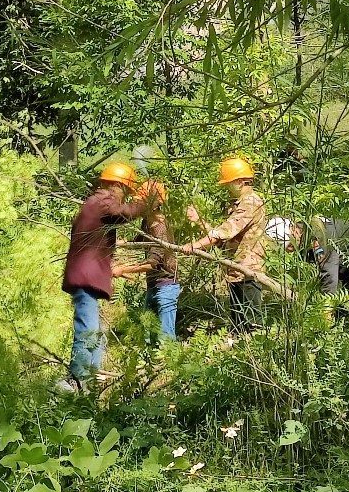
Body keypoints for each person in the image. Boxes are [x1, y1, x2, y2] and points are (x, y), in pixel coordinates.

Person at [59, 160, 149, 389]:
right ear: (117, 186)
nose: (125, 198)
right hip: (86, 277)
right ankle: (76, 379)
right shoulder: (102, 200)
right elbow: (125, 213)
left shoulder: (95, 203)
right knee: (88, 331)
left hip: (86, 276)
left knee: (97, 334)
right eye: (126, 192)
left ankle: (89, 379)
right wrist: (147, 200)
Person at [183, 155, 268, 329]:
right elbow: (224, 237)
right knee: (239, 325)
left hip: (248, 272)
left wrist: (194, 246)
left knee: (252, 325)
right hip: (236, 271)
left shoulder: (251, 203)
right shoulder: (238, 204)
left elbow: (223, 232)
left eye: (228, 184)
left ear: (239, 182)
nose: (227, 188)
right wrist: (199, 221)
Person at [112, 180, 179, 343]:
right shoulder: (147, 222)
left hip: (166, 285)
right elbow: (140, 241)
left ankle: (168, 358)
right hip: (153, 284)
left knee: (165, 335)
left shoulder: (161, 230)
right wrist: (121, 243)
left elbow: (152, 263)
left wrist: (124, 269)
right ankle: (149, 357)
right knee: (148, 332)